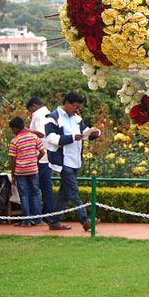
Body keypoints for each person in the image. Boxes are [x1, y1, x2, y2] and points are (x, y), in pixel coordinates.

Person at [44, 91, 100, 231]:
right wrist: (72, 138)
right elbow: (51, 139)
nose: (76, 110)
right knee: (73, 191)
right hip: (63, 161)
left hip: (75, 160)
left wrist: (95, 133)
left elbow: (85, 134)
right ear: (67, 103)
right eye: (75, 107)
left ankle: (54, 221)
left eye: (78, 108)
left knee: (65, 192)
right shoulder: (53, 118)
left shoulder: (76, 119)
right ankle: (85, 220)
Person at [7, 116, 45, 227]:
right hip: (33, 169)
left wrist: (13, 174)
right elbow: (42, 152)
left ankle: (27, 220)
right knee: (35, 194)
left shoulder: (15, 141)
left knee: (23, 195)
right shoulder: (34, 137)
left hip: (20, 171)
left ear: (15, 128)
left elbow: (13, 159)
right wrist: (34, 160)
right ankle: (37, 219)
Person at [26, 97, 54, 215]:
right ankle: (49, 213)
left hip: (39, 155)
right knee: (47, 187)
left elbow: (41, 133)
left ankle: (35, 214)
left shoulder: (37, 115)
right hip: (49, 155)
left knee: (34, 188)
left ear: (34, 106)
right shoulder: (50, 114)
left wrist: (26, 130)